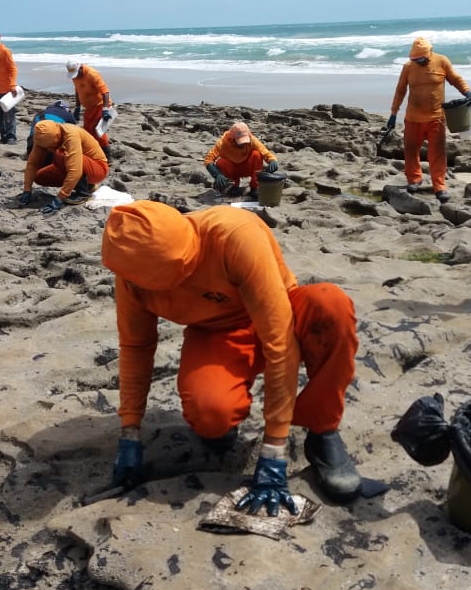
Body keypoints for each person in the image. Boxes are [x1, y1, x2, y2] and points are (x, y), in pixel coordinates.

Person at [100, 201, 363, 515]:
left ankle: (323, 431)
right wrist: (130, 431)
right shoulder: (133, 270)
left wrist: (274, 448)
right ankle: (225, 422)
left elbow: (280, 343)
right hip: (218, 333)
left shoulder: (234, 235)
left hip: (282, 313)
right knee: (210, 413)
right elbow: (136, 346)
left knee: (330, 305)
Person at [386, 37, 471, 203]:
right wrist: (393, 113)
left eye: (421, 58)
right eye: (415, 59)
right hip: (412, 118)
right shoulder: (408, 67)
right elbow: (400, 91)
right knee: (411, 151)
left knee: (437, 153)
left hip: (436, 118)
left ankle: (439, 187)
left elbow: (455, 78)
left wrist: (467, 92)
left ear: (429, 53)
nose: (418, 61)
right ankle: (414, 179)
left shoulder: (442, 61)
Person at [18, 120, 109, 214]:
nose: (49, 149)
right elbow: (33, 163)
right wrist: (27, 189)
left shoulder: (71, 135)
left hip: (98, 168)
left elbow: (75, 170)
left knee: (61, 154)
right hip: (74, 166)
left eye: (51, 145)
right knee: (39, 177)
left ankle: (83, 193)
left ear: (57, 136)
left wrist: (60, 198)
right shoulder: (41, 138)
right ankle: (89, 186)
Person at [203, 122, 279, 198]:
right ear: (232, 138)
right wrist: (217, 174)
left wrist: (272, 160)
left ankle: (254, 187)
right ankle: (233, 186)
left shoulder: (252, 140)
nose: (243, 144)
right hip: (233, 169)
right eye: (240, 141)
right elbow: (208, 159)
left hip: (247, 167)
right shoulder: (222, 143)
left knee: (257, 155)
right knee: (221, 163)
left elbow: (264, 151)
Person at [65, 60, 113, 154]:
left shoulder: (92, 74)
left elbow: (105, 92)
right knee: (88, 131)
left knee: (98, 131)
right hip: (89, 108)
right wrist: (77, 107)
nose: (75, 76)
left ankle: (107, 154)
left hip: (100, 105)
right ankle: (94, 151)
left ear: (80, 68)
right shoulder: (74, 76)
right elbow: (77, 90)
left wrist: (105, 109)